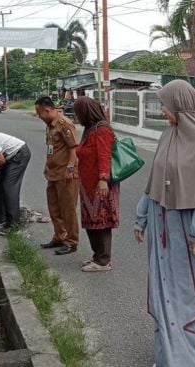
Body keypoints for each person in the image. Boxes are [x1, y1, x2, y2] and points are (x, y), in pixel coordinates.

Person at [133, 80, 195, 367]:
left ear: (180, 105)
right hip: (161, 226)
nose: (163, 110)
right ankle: (170, 352)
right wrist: (141, 218)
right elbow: (153, 182)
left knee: (191, 291)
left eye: (166, 104)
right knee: (166, 289)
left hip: (189, 233)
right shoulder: (168, 135)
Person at [73, 96, 119, 272]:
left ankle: (103, 261)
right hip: (88, 184)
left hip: (100, 184)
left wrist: (103, 179)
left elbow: (104, 156)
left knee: (102, 221)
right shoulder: (89, 129)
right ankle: (97, 256)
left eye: (79, 113)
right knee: (91, 221)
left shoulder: (102, 130)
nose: (77, 116)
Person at [34, 96, 80, 256]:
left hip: (66, 174)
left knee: (68, 209)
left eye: (40, 114)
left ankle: (72, 241)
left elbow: (74, 149)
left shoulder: (64, 124)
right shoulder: (50, 125)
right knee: (54, 208)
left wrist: (70, 168)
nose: (39, 117)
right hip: (53, 174)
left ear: (47, 110)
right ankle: (60, 236)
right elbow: (51, 148)